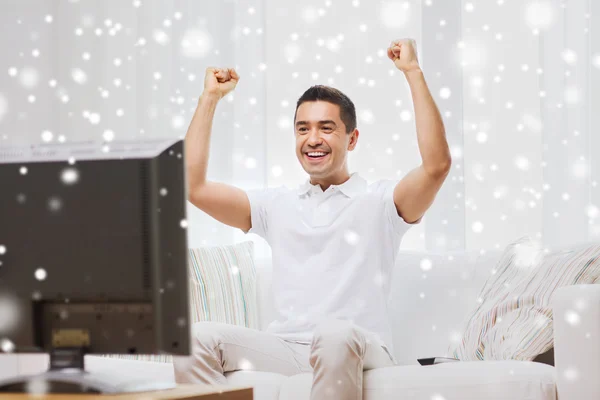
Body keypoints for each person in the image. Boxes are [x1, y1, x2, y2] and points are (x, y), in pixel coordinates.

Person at [173, 38, 451, 399]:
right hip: (288, 349)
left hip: (360, 348)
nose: (313, 139)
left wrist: (413, 72)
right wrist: (209, 99)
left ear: (351, 139)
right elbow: (193, 187)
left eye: (326, 127)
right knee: (197, 340)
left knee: (334, 334)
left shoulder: (380, 202)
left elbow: (436, 166)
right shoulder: (276, 205)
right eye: (303, 128)